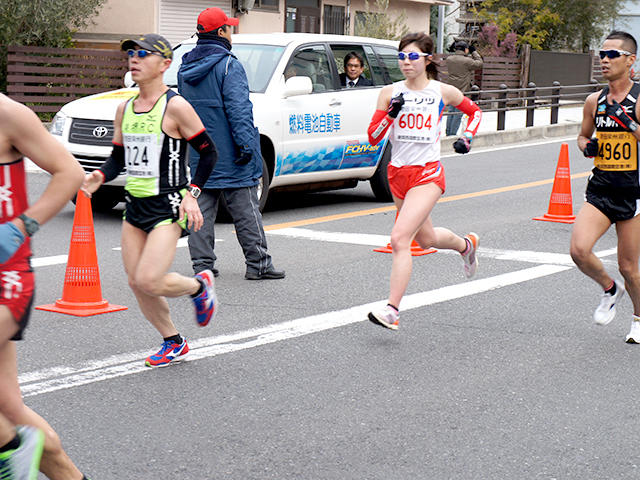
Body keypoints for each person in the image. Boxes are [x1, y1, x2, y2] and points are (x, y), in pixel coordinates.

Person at [83, 34, 218, 367]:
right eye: (131, 52)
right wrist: (99, 176)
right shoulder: (124, 108)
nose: (134, 58)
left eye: (143, 54)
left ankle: (199, 288)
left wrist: (192, 194)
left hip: (168, 206)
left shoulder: (175, 106)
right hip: (136, 206)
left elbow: (209, 152)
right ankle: (173, 340)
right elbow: (118, 157)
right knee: (136, 282)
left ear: (165, 64)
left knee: (149, 278)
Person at [365, 32, 482, 331]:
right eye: (402, 57)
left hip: (427, 173)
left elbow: (474, 112)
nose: (406, 62)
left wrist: (466, 137)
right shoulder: (389, 93)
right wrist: (391, 115)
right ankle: (466, 246)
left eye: (413, 56)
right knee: (425, 239)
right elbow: (374, 137)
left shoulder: (442, 91)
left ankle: (392, 309)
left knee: (399, 239)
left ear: (428, 59)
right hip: (397, 174)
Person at [0, 95, 90, 478]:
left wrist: (21, 226)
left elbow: (69, 173)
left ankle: (11, 456)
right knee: (11, 411)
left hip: (7, 276)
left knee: (11, 430)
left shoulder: (8, 114)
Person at [178, 7, 285, 281]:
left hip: (201, 153)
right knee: (247, 211)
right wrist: (248, 148)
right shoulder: (228, 65)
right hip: (232, 153)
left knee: (200, 210)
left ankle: (202, 265)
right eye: (229, 27)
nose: (232, 32)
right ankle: (258, 263)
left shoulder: (184, 68)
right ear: (221, 32)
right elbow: (239, 112)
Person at [572, 30, 640, 343]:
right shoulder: (593, 101)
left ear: (630, 60)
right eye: (602, 53)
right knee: (579, 250)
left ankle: (638, 319)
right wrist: (587, 147)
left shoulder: (638, 100)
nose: (604, 59)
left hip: (633, 192)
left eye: (612, 54)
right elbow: (583, 136)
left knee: (629, 266)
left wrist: (630, 124)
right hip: (600, 188)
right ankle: (609, 289)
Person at [444, 41, 483, 137]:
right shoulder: (467, 61)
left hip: (451, 90)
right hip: (462, 90)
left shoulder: (449, 59)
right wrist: (474, 52)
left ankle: (448, 132)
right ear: (465, 49)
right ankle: (452, 134)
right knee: (458, 114)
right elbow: (479, 63)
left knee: (451, 112)